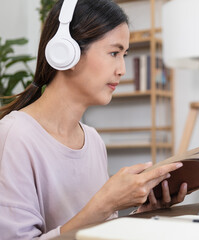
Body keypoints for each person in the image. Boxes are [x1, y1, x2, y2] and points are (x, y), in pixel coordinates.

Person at [0, 0, 187, 239]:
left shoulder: (93, 140)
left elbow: (97, 232)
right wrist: (105, 205)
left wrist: (142, 214)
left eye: (124, 55)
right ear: (67, 52)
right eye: (114, 53)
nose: (122, 70)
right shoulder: (14, 137)